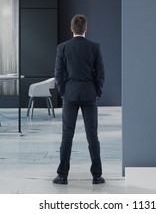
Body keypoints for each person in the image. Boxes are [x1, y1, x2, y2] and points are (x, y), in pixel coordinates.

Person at [53, 14, 105, 185]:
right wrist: (97, 91)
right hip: (89, 93)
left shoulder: (63, 47)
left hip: (70, 94)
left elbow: (58, 74)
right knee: (92, 135)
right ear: (86, 29)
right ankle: (97, 176)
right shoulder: (94, 47)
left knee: (67, 135)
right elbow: (100, 73)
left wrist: (62, 92)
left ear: (71, 29)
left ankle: (62, 176)